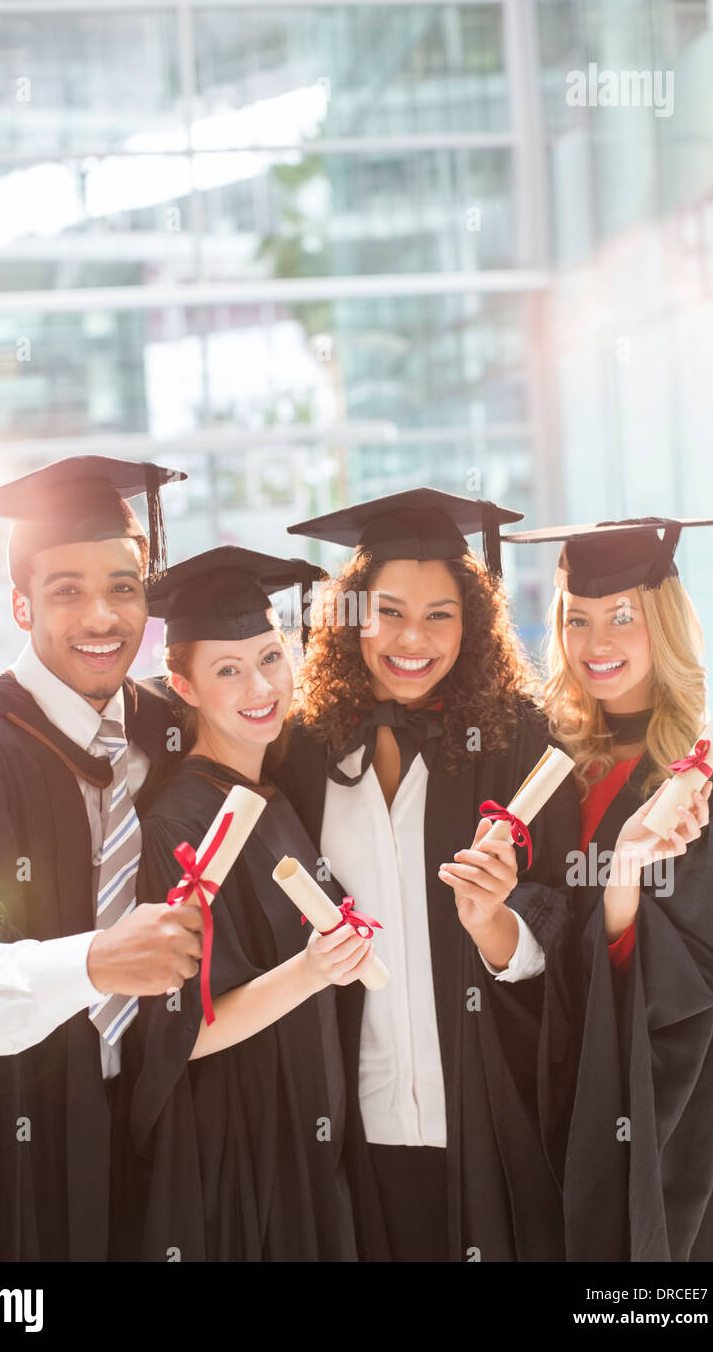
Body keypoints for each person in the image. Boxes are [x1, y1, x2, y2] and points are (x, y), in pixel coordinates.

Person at [0, 455, 204, 1261]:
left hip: (158, 1133)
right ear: (21, 605)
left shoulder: (170, 735)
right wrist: (96, 962)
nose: (101, 616)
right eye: (66, 590)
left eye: (124, 587)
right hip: (15, 1150)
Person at [272, 488, 581, 1262]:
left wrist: (498, 927)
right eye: (389, 611)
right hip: (349, 1113)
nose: (414, 637)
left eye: (440, 613)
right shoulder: (304, 751)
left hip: (484, 1106)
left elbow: (564, 914)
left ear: (472, 623)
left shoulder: (519, 738)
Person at [503, 515, 713, 1260]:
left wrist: (621, 881)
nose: (596, 644)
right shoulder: (551, 772)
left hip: (670, 1115)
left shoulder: (710, 797)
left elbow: (698, 984)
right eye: (575, 620)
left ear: (665, 625)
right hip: (563, 1090)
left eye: (623, 618)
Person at [132, 546, 373, 1261]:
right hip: (239, 1148)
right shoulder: (179, 824)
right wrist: (314, 968)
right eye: (227, 671)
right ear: (184, 685)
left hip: (302, 1130)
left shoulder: (272, 793)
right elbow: (183, 1033)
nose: (260, 686)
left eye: (270, 657)